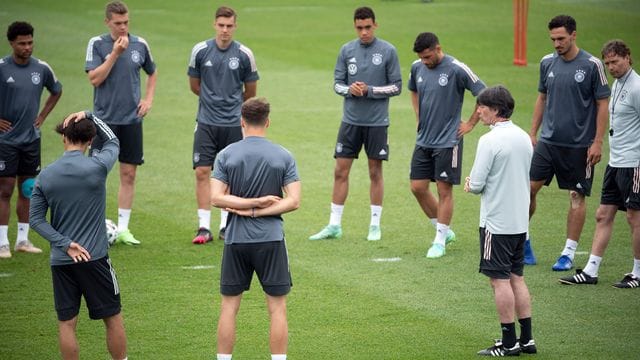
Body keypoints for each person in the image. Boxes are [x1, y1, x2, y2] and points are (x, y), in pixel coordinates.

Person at [30, 111, 128, 360]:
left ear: (64, 139)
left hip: (62, 261)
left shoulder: (46, 175)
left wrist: (65, 244)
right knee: (113, 317)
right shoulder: (97, 167)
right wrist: (91, 115)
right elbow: (114, 140)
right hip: (95, 259)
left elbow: (36, 220)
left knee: (66, 323)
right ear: (90, 140)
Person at [210, 97, 300, 360]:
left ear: (242, 121)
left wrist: (249, 208)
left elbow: (216, 197)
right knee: (277, 309)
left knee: (229, 308)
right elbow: (294, 201)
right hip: (271, 239)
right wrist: (260, 205)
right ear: (267, 122)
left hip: (236, 239)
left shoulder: (226, 154)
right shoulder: (283, 155)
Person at [309, 6, 401, 242]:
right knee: (340, 171)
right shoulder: (346, 50)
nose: (363, 32)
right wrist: (350, 89)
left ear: (375, 25)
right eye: (359, 28)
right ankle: (334, 225)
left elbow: (396, 86)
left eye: (368, 27)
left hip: (377, 123)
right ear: (355, 26)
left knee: (374, 172)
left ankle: (374, 225)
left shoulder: (388, 51)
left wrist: (369, 90)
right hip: (350, 122)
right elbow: (337, 84)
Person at [527, 15, 610, 270]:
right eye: (553, 39)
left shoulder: (592, 65)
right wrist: (532, 132)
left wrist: (597, 141)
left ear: (574, 35)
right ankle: (523, 242)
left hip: (579, 146)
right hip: (548, 142)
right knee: (527, 189)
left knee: (576, 195)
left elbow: (602, 103)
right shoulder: (546, 63)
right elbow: (542, 98)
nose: (556, 44)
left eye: (561, 38)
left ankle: (568, 253)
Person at [560, 40, 640, 289]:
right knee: (603, 214)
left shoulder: (637, 87)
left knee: (634, 218)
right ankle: (591, 270)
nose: (611, 67)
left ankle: (638, 272)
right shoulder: (616, 84)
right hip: (615, 163)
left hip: (634, 163)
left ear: (628, 58)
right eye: (607, 63)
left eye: (615, 61)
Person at [464, 86, 536, 356]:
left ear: (495, 110)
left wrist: (470, 184)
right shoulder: (523, 137)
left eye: (482, 106)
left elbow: (477, 183)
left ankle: (508, 343)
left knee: (499, 281)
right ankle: (526, 340)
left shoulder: (489, 141)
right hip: (520, 222)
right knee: (517, 277)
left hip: (496, 222)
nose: (478, 111)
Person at [85, 0, 157, 245]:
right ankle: (93, 227)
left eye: (126, 22)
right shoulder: (97, 44)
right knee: (96, 174)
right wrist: (115, 54)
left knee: (128, 174)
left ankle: (123, 229)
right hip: (103, 121)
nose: (123, 27)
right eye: (118, 23)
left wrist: (148, 99)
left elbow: (152, 71)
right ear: (107, 22)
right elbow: (95, 79)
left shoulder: (140, 44)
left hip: (131, 120)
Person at [408, 32, 486, 258]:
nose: (425, 61)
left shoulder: (457, 69)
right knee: (417, 187)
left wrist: (471, 123)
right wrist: (418, 116)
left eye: (428, 57)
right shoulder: (417, 67)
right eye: (422, 58)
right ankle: (445, 230)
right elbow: (413, 90)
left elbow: (483, 93)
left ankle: (440, 240)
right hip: (424, 139)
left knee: (444, 191)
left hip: (448, 141)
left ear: (438, 48)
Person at [189, 6, 259, 245]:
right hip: (206, 122)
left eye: (229, 26)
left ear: (235, 27)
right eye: (221, 25)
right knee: (202, 172)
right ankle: (203, 226)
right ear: (214, 25)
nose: (225, 30)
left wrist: (230, 105)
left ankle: (225, 225)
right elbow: (194, 85)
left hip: (233, 124)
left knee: (231, 175)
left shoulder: (244, 55)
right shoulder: (200, 51)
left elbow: (250, 92)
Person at [0, 21, 62, 259]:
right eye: (22, 43)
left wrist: (43, 116)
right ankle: (3, 242)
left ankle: (23, 240)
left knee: (27, 190)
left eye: (30, 42)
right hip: (5, 141)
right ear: (11, 44)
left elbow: (56, 90)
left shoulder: (41, 68)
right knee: (4, 190)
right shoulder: (3, 68)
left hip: (30, 139)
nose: (27, 47)